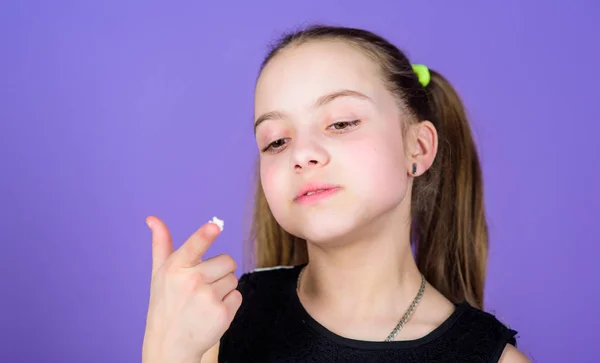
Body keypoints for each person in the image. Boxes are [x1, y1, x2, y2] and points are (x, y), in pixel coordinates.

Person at [141, 25, 531, 363]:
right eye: (276, 141)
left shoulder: (493, 357)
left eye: (341, 123)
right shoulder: (221, 320)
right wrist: (168, 352)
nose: (302, 154)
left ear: (418, 148)